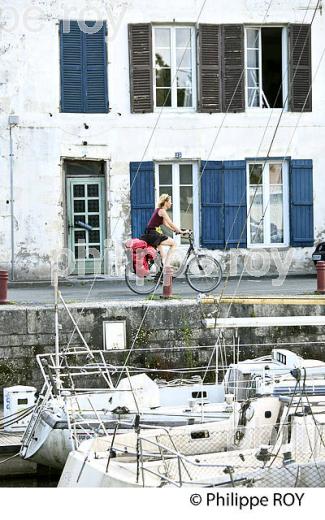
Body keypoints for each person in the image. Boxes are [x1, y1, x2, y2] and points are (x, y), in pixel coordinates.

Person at [141, 193, 183, 267]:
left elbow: (166, 224)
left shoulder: (158, 210)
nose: (171, 203)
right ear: (166, 202)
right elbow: (170, 222)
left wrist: (175, 230)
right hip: (153, 233)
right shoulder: (162, 211)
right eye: (170, 201)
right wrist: (179, 231)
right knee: (173, 244)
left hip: (150, 233)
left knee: (162, 256)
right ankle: (167, 265)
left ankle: (161, 270)